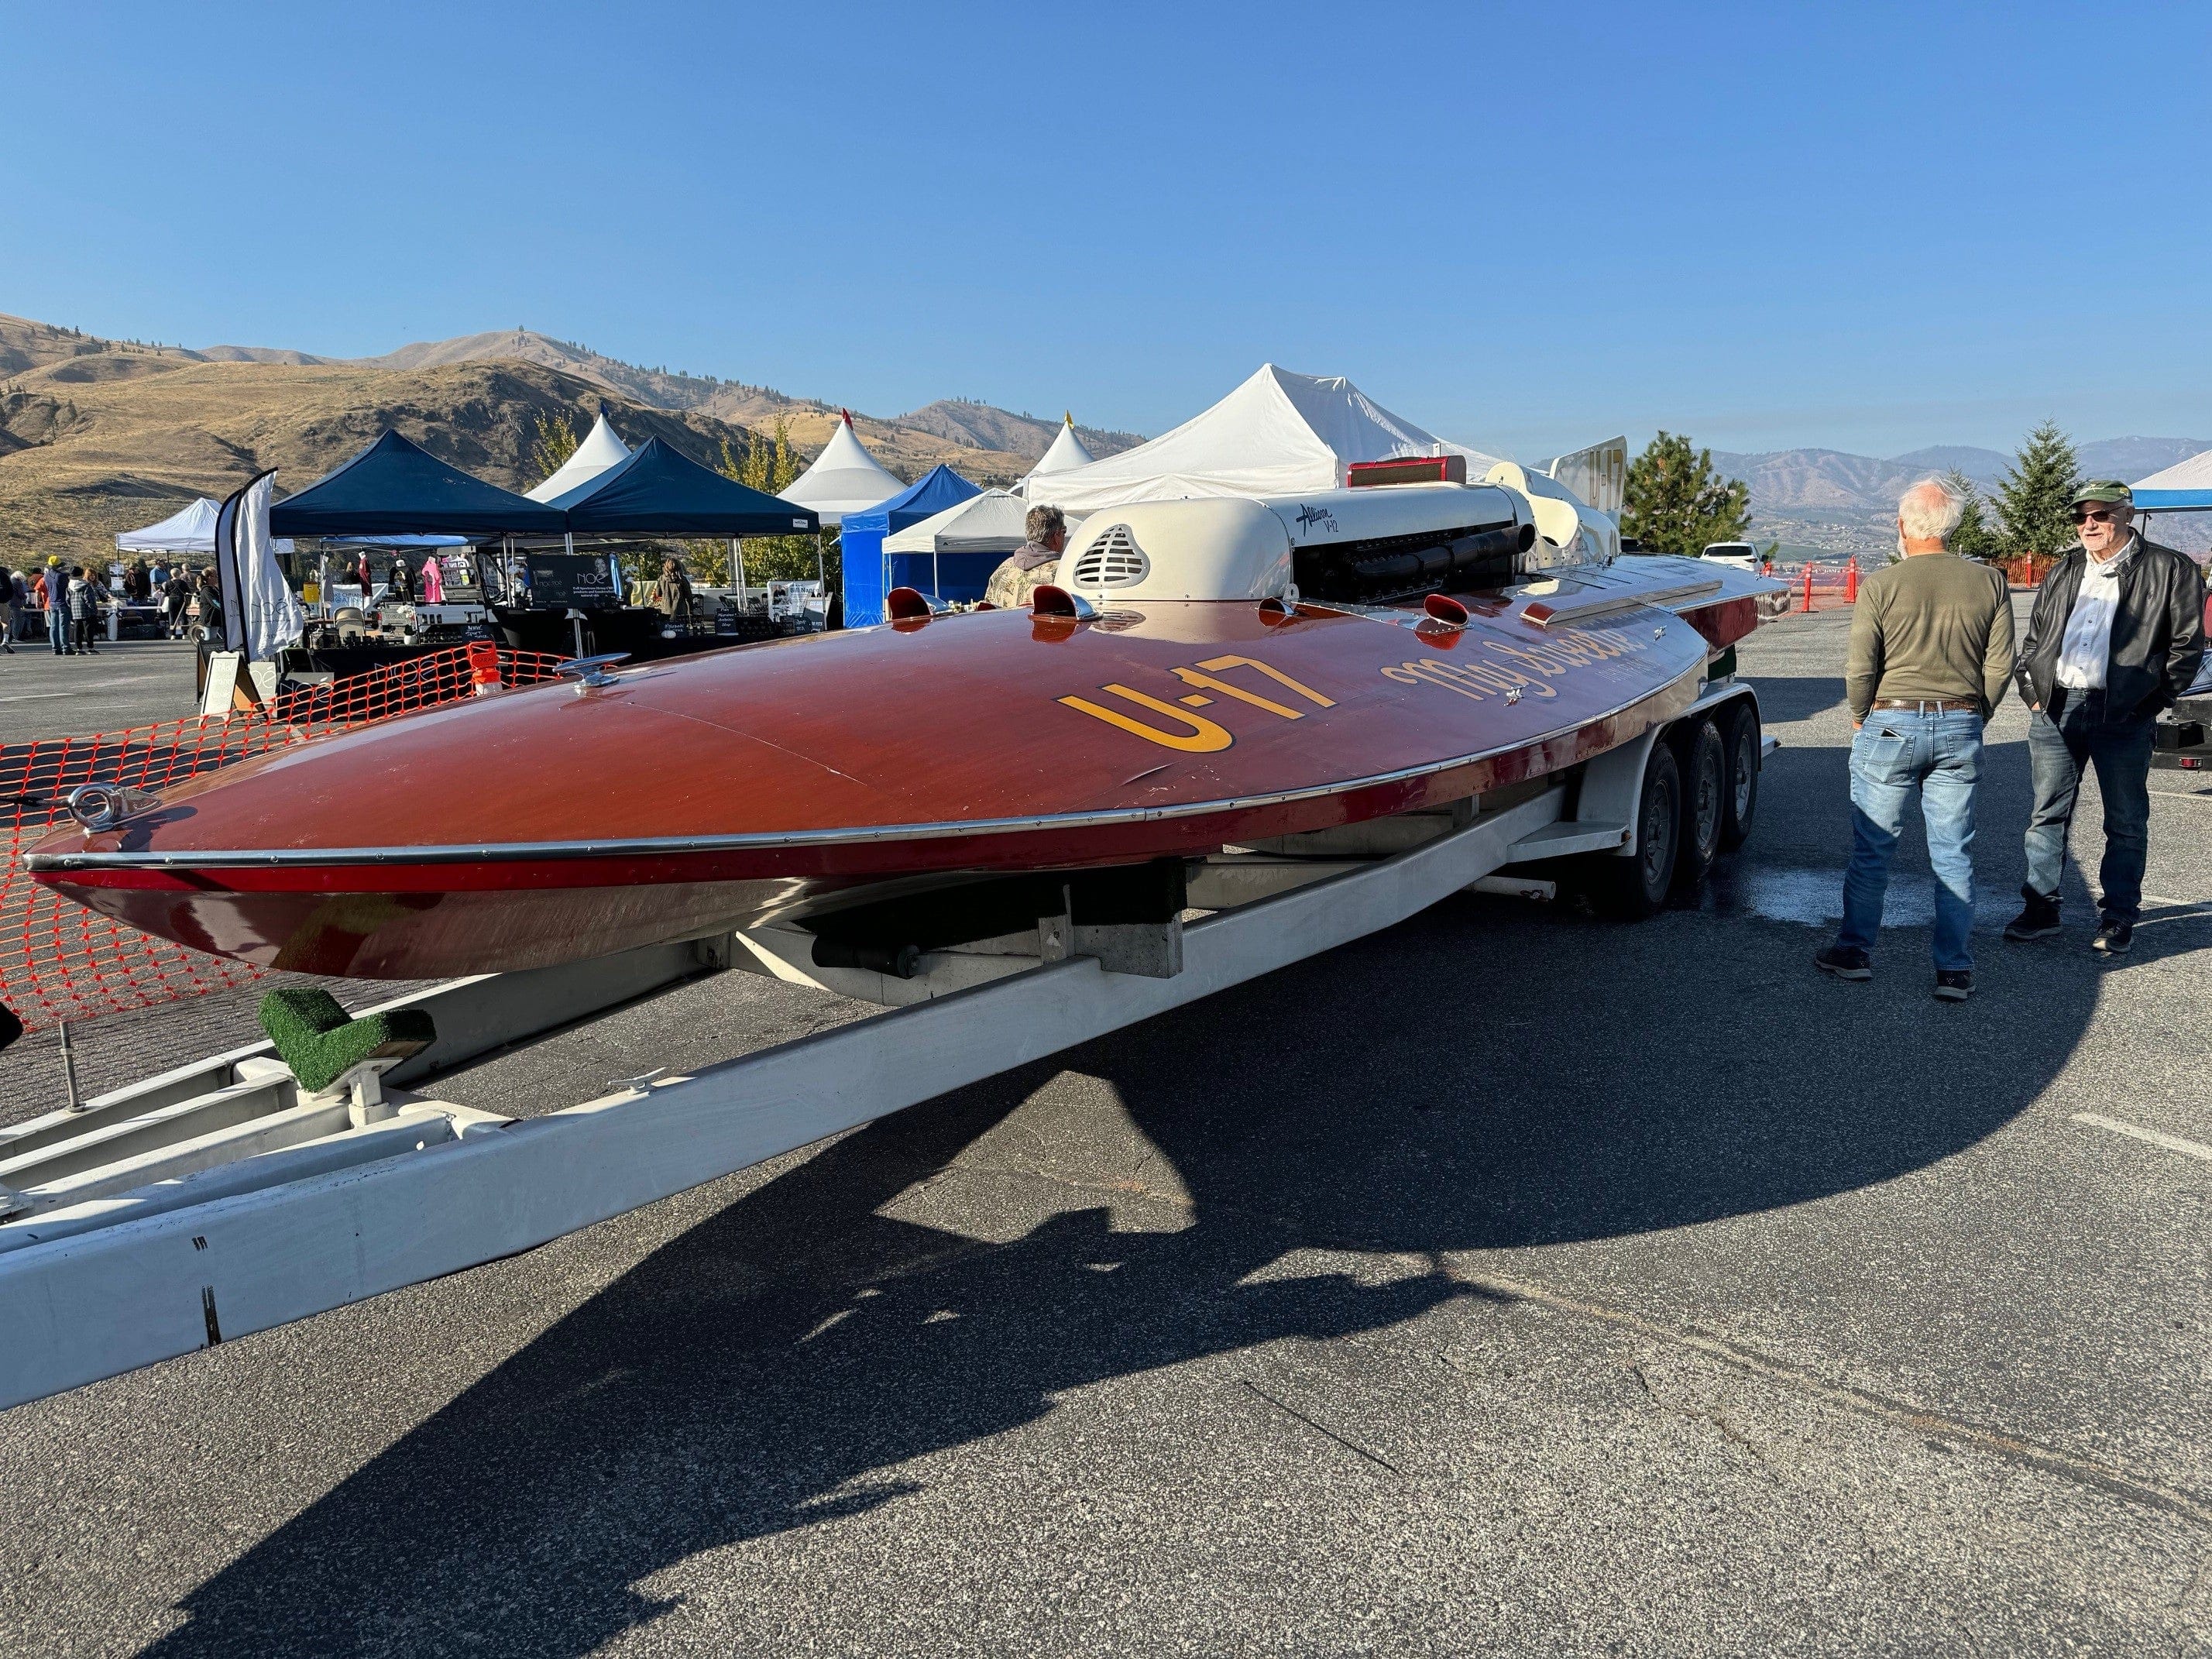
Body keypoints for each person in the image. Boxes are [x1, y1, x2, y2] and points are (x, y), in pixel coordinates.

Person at [1815, 478, 2014, 1001]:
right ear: (1952, 526)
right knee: (1953, 855)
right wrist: (1979, 713)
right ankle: (1953, 969)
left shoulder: (1882, 585)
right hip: (1960, 721)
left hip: (1890, 721)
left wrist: (1860, 716)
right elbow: (1999, 665)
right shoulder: (1989, 582)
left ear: (1903, 526)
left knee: (1873, 850)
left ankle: (1854, 952)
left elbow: (1862, 666)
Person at [2006, 480, 2207, 955]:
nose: (2088, 525)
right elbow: (2036, 639)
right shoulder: (2066, 569)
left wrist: (2149, 703)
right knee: (2046, 815)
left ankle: (2118, 915)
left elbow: (2187, 647)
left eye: (2100, 515)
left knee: (2125, 819)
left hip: (2124, 712)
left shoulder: (2170, 568)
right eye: (2080, 517)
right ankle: (2041, 908)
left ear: (2126, 515)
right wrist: (2032, 691)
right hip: (2057, 707)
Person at [984, 505, 1070, 610]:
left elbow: (988, 611)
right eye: (1064, 531)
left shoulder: (1003, 568)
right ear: (1056, 536)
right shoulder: (1063, 572)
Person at [67, 565, 102, 654]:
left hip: (75, 611)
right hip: (86, 611)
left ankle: (79, 649)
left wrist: (71, 608)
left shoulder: (69, 586)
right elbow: (89, 599)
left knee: (77, 630)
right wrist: (94, 609)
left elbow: (67, 599)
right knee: (88, 630)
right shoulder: (86, 585)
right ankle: (90, 647)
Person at [43, 560, 69, 655]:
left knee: (54, 626)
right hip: (62, 602)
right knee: (63, 626)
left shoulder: (46, 576)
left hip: (52, 603)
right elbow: (66, 588)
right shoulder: (61, 576)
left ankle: (55, 647)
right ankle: (65, 647)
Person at [162, 567, 193, 637]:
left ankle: (173, 634)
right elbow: (188, 592)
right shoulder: (183, 583)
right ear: (180, 574)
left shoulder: (168, 582)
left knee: (172, 617)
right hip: (181, 600)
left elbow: (166, 593)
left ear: (172, 574)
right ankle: (184, 634)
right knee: (183, 617)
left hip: (172, 600)